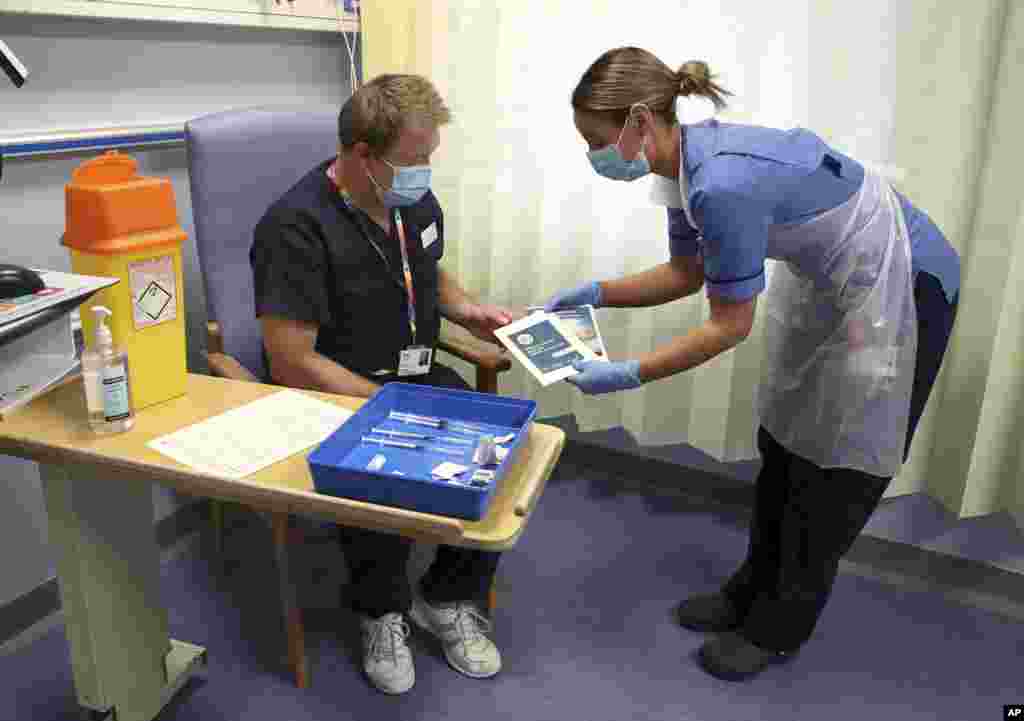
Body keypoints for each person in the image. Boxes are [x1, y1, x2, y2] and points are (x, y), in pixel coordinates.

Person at [546, 47, 960, 682]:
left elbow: (728, 325)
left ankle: (779, 626)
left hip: (901, 278)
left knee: (838, 468)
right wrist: (599, 292)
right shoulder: (679, 166)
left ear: (639, 122)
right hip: (831, 279)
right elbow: (687, 273)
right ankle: (749, 589)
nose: (591, 154)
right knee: (786, 438)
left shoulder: (719, 184)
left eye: (594, 139)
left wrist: (629, 373)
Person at [251, 74, 518, 694]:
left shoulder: (412, 200)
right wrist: (386, 404)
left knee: (499, 454)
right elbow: (289, 359)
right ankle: (380, 612)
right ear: (362, 155)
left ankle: (444, 597)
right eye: (414, 158)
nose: (425, 170)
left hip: (414, 372)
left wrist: (468, 310)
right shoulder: (294, 228)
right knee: (389, 467)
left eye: (429, 156)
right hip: (333, 390)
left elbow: (428, 268)